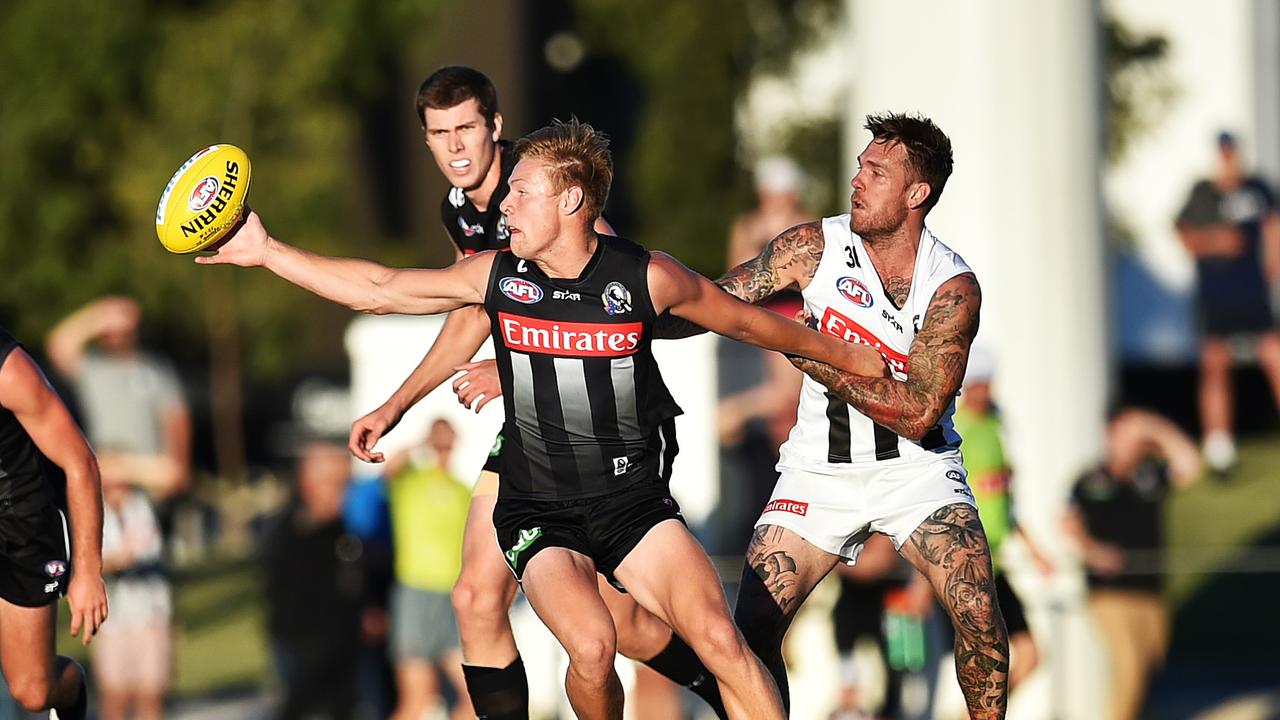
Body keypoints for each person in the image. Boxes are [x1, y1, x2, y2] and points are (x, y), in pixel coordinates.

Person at [193, 117, 888, 719]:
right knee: (591, 647)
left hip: (631, 501)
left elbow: (751, 324)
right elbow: (380, 289)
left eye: (523, 191)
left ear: (573, 199)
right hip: (538, 507)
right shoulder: (499, 276)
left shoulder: (646, 278)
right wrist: (267, 252)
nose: (508, 205)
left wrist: (851, 359)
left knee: (721, 639)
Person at [350, 65, 726, 719]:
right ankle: (729, 680)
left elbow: (609, 294)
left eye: (467, 127)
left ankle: (729, 680)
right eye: (439, 134)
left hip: (605, 426)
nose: (456, 147)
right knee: (481, 599)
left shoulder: (539, 188)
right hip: (535, 423)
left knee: (619, 625)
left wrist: (525, 363)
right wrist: (396, 403)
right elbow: (476, 307)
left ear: (496, 128)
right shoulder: (458, 207)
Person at [671, 113, 1010, 719]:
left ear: (916, 194)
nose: (857, 180)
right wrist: (613, 310)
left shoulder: (951, 286)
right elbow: (712, 304)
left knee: (979, 614)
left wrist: (808, 348)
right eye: (860, 165)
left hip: (918, 471)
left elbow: (918, 413)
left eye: (876, 172)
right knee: (748, 630)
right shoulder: (813, 247)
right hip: (818, 470)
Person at [46, 296, 190, 718]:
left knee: (150, 684)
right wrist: (99, 313)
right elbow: (60, 345)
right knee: (113, 688)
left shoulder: (157, 372)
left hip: (145, 494)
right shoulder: (94, 369)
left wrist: (126, 468)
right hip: (101, 494)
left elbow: (176, 465)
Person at [1061, 408, 1201, 720]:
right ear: (1110, 434)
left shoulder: (1149, 476)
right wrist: (1093, 550)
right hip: (1110, 593)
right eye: (1126, 432)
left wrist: (1155, 426)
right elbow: (1068, 522)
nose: (1133, 441)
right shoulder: (1091, 479)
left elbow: (1191, 464)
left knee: (1150, 666)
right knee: (1129, 664)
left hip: (1150, 592)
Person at [0, 327, 108, 719]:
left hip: (20, 524)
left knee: (32, 690)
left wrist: (88, 572)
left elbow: (79, 462)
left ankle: (72, 686)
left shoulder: (9, 372)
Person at [1175, 131, 1280, 475]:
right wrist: (1217, 241)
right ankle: (1220, 448)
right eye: (1224, 153)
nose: (1229, 159)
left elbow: (1273, 229)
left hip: (1252, 293)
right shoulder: (1202, 194)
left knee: (1273, 354)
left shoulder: (1258, 188)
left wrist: (1271, 267)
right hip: (1215, 296)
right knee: (1216, 364)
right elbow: (1187, 238)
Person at [949, 347, 1052, 692]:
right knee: (989, 657)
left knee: (1028, 654)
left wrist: (1034, 549)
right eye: (977, 384)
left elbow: (1006, 503)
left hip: (996, 561)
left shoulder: (997, 425)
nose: (984, 391)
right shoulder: (954, 428)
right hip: (970, 562)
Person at [263, 442, 364, 720]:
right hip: (301, 642)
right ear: (308, 484)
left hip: (342, 638)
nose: (343, 494)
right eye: (335, 485)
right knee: (299, 707)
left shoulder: (344, 530)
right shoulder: (293, 527)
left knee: (344, 707)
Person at [382, 419, 472, 720]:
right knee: (418, 698)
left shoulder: (462, 490)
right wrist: (424, 441)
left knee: (475, 699)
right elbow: (389, 468)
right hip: (417, 593)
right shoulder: (412, 480)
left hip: (453, 597)